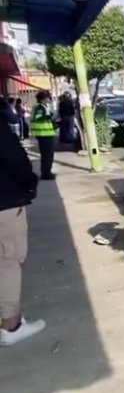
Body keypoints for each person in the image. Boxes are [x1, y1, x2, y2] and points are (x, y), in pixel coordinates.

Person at [0, 112, 45, 346]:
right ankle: (11, 326)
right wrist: (30, 184)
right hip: (4, 204)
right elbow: (15, 159)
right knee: (8, 262)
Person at [30, 91, 56, 180]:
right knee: (48, 155)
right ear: (44, 98)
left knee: (46, 155)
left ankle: (46, 172)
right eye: (49, 97)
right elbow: (39, 117)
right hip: (44, 134)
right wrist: (49, 117)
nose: (50, 99)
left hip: (43, 133)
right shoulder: (40, 107)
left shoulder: (40, 106)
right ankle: (46, 173)